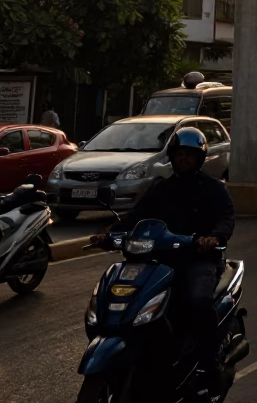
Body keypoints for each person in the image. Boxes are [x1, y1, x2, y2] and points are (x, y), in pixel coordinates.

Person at [93, 128, 234, 394]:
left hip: (197, 259)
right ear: (172, 157)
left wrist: (212, 238)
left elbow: (226, 218)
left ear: (200, 158)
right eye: (179, 155)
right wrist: (110, 233)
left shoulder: (213, 189)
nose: (183, 159)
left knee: (198, 300)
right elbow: (137, 216)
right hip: (159, 260)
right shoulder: (161, 188)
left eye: (189, 155)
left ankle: (208, 365)